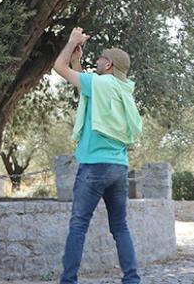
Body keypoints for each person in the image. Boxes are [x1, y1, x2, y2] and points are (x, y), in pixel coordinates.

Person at [52, 27, 142, 284]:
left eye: (101, 58)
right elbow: (87, 92)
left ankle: (68, 281)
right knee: (120, 227)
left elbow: (58, 67)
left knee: (78, 225)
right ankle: (132, 280)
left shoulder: (99, 82)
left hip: (94, 167)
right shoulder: (122, 88)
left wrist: (70, 44)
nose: (98, 61)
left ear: (109, 64)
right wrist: (77, 61)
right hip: (119, 168)